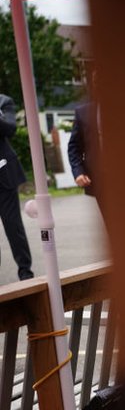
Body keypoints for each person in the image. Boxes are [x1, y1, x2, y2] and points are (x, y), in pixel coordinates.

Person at [0, 93, 34, 281]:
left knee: (13, 226)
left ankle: (25, 273)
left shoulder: (4, 101)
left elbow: (10, 128)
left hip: (3, 174)